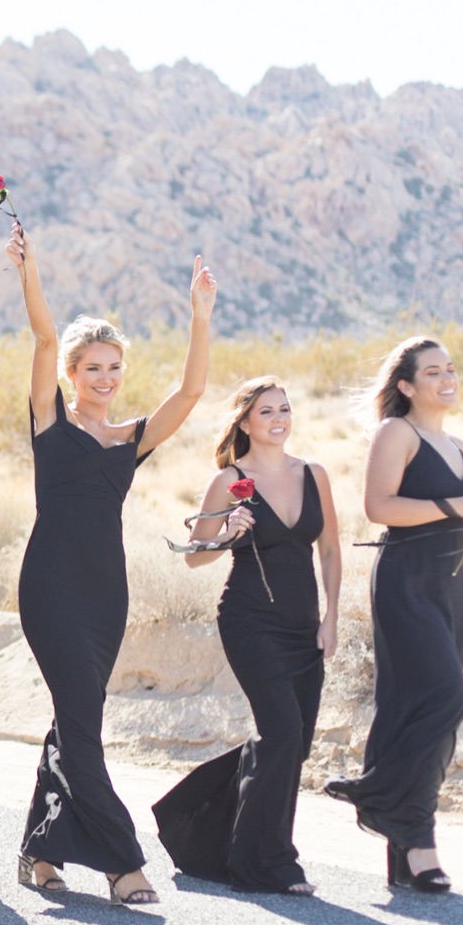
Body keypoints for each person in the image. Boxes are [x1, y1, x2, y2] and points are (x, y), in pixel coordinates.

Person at [5, 225, 216, 904]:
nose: (104, 377)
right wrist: (29, 274)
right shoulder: (51, 423)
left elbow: (188, 395)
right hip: (50, 586)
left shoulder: (129, 440)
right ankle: (122, 862)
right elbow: (41, 338)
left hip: (105, 592)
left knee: (77, 715)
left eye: (114, 367)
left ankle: (40, 848)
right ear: (71, 375)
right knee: (82, 721)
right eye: (91, 367)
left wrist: (199, 317)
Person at [324, 337, 463, 893]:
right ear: (406, 385)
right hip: (405, 582)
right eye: (433, 371)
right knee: (445, 697)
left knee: (421, 714)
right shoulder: (396, 433)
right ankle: (376, 791)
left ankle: (414, 850)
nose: (446, 377)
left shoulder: (452, 444)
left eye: (451, 368)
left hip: (450, 586)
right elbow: (380, 508)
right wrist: (462, 509)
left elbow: (443, 524)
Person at [152, 377, 341, 894]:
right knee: (280, 734)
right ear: (245, 422)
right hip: (250, 621)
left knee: (292, 745)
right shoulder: (229, 480)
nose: (279, 419)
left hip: (305, 626)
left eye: (285, 409)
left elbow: (328, 551)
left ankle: (189, 812)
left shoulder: (314, 474)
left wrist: (332, 618)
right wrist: (230, 534)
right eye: (267, 412)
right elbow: (196, 556)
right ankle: (269, 862)